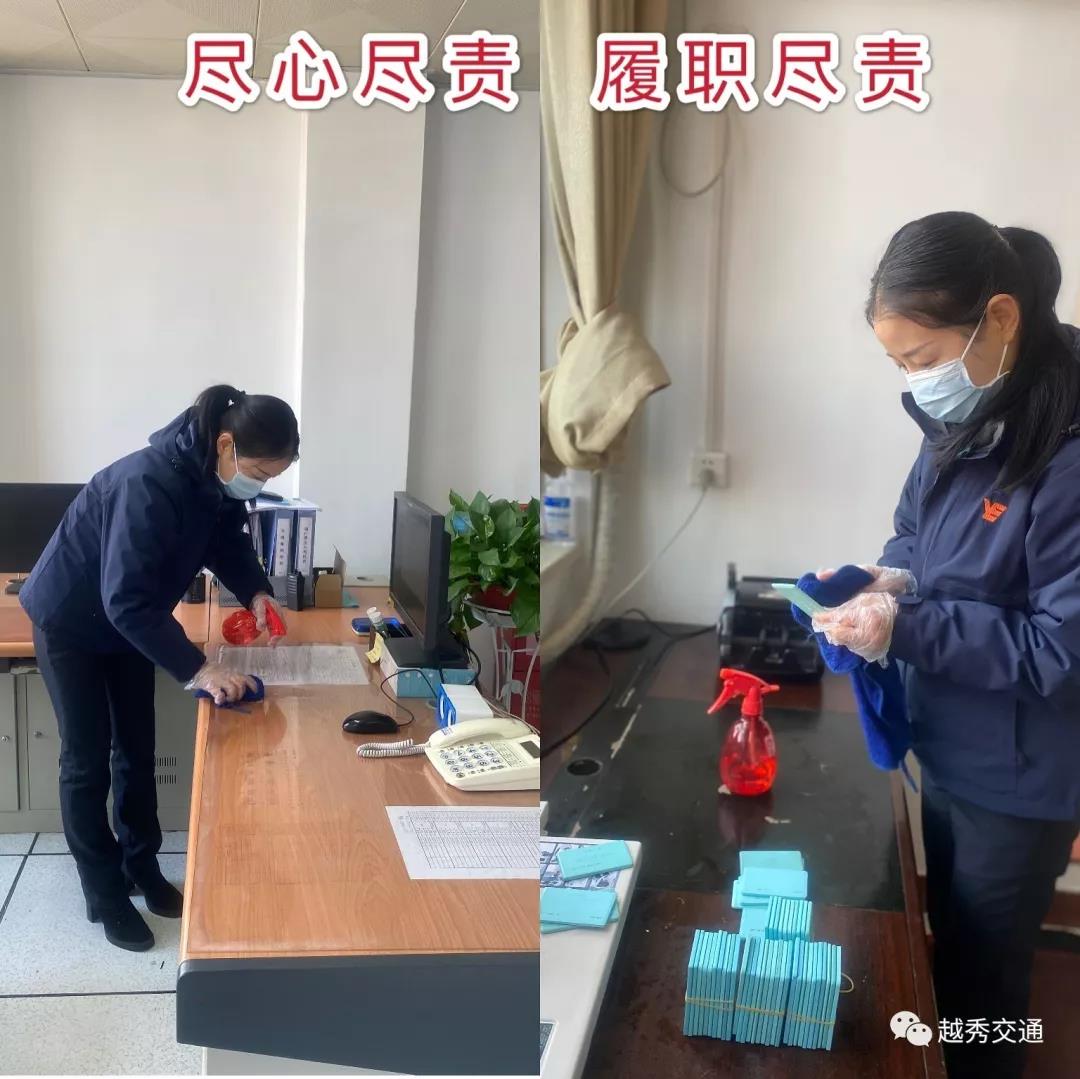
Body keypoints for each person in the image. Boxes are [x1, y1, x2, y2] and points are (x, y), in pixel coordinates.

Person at [812, 212, 1080, 1079]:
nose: (915, 382)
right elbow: (914, 535)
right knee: (945, 953)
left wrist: (908, 624)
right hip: (950, 745)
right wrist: (885, 578)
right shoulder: (964, 420)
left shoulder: (1067, 454)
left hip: (1022, 778)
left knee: (984, 986)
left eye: (921, 358)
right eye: (899, 365)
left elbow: (1061, 649)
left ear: (999, 318)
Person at [20, 385, 298, 952]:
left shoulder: (212, 479)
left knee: (137, 750)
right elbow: (123, 598)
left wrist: (256, 592)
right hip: (71, 622)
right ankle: (104, 893)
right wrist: (199, 670)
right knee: (86, 761)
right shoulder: (146, 484)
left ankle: (141, 865)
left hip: (128, 623)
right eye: (260, 473)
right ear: (226, 444)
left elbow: (226, 542)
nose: (259, 484)